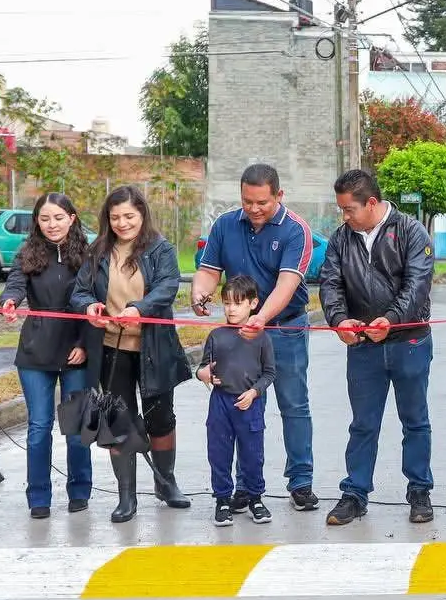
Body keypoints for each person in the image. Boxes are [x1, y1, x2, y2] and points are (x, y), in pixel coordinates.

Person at [191, 164, 317, 513]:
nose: (254, 208)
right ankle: (245, 487)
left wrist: (262, 318)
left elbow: (287, 283)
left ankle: (301, 482)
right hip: (241, 335)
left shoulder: (296, 230)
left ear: (279, 195)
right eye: (247, 201)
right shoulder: (225, 225)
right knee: (239, 406)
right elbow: (208, 270)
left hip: (285, 327)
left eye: (262, 201)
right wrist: (200, 294)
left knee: (293, 404)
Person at [319, 169, 436, 526]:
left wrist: (391, 319)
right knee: (363, 424)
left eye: (349, 209)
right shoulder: (342, 239)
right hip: (363, 346)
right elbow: (330, 282)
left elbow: (417, 285)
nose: (345, 217)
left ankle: (419, 490)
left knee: (415, 421)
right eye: (341, 210)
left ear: (371, 203)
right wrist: (339, 320)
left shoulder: (411, 232)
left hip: (409, 341)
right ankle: (355, 493)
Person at [71, 185, 193, 523]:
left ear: (142, 214)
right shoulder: (97, 250)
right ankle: (126, 496)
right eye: (115, 217)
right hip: (111, 349)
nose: (122, 223)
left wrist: (140, 308)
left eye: (129, 216)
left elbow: (168, 286)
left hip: (154, 348)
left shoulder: (161, 248)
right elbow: (79, 292)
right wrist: (90, 305)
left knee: (160, 419)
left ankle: (165, 484)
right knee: (117, 422)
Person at [0, 193, 93, 518]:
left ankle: (80, 490)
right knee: (39, 426)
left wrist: (84, 344)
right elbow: (14, 284)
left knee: (76, 425)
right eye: (44, 219)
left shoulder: (88, 254)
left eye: (58, 217)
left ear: (72, 217)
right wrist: (9, 301)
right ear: (37, 222)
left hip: (76, 350)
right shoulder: (27, 253)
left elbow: (94, 300)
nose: (51, 225)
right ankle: (38, 497)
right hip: (35, 351)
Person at [197, 275, 276, 528]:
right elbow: (201, 369)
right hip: (220, 404)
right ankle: (222, 500)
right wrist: (205, 375)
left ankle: (256, 498)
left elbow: (270, 373)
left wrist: (253, 393)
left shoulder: (261, 337)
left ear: (253, 304)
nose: (231, 309)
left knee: (252, 454)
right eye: (227, 303)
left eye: (238, 303)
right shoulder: (216, 336)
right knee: (219, 453)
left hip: (249, 404)